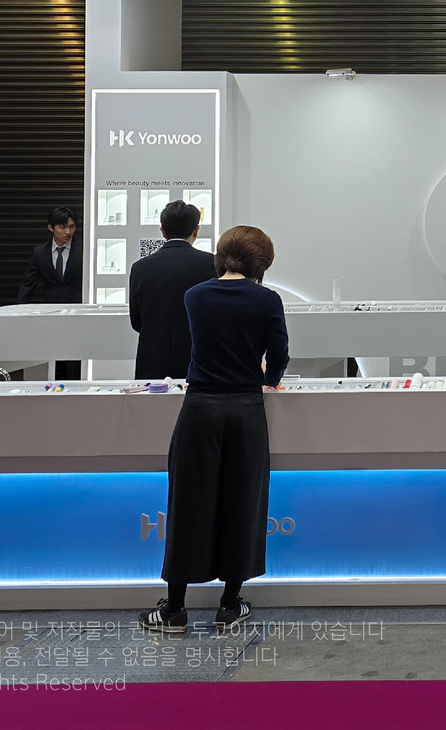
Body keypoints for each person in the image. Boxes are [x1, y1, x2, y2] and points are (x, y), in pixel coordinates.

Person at [143, 225, 288, 634]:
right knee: (242, 503)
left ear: (221, 255)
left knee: (188, 504)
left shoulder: (196, 296)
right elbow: (279, 355)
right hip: (245, 410)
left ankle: (174, 609)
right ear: (262, 262)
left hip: (200, 408)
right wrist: (269, 377)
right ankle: (229, 605)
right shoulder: (267, 300)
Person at [127, 201, 218, 380]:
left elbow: (136, 321)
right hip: (199, 358)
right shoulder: (212, 263)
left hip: (152, 357)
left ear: (162, 231)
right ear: (196, 230)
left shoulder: (140, 268)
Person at [17, 206, 83, 380]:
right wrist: (19, 311)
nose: (68, 232)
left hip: (79, 313)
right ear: (50, 228)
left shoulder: (84, 249)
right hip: (51, 314)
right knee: (55, 359)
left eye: (72, 227)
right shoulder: (40, 252)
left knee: (76, 360)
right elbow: (28, 283)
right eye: (62, 227)